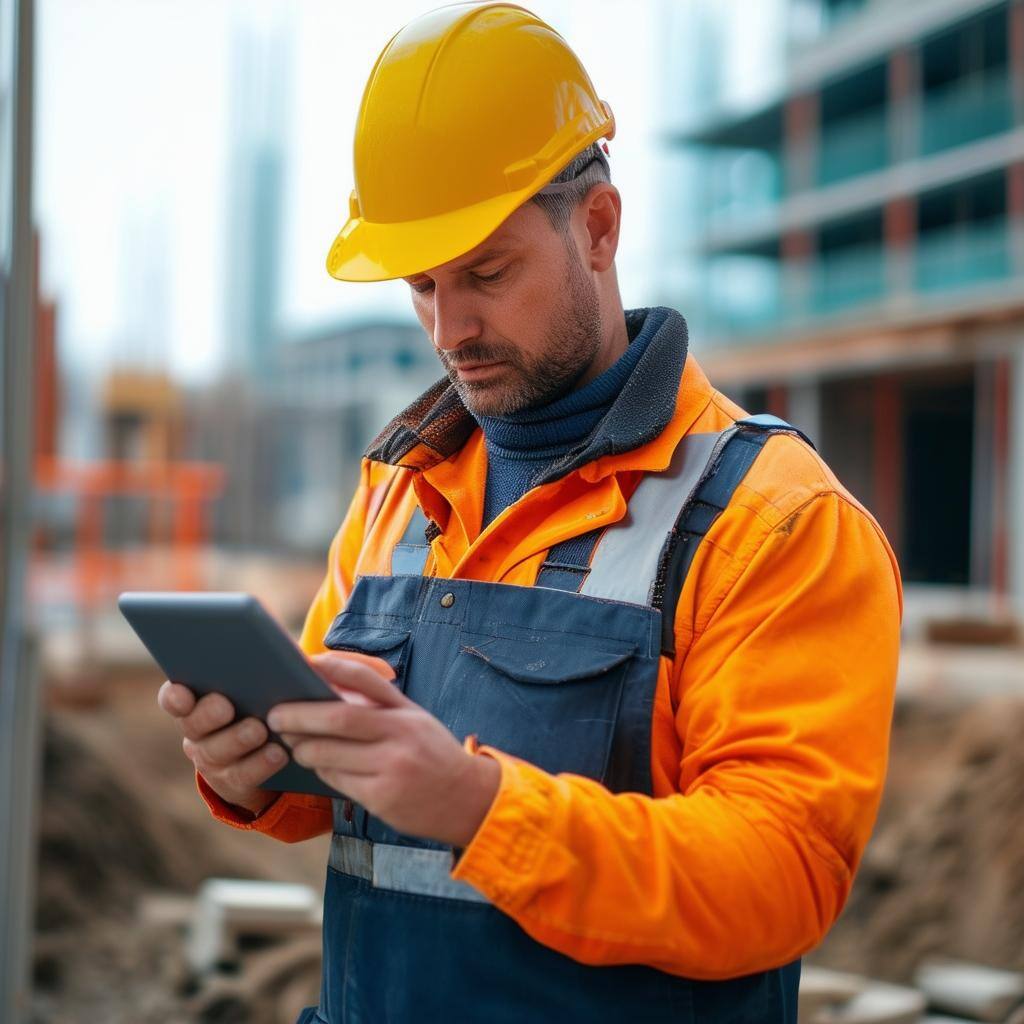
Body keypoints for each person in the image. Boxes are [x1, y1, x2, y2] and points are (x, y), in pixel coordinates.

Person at [157, 4, 903, 1022]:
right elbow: (332, 784)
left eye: (486, 273)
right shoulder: (399, 485)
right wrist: (252, 770)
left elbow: (781, 874)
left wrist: (477, 806)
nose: (448, 326)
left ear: (597, 226)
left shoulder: (774, 520)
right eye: (421, 284)